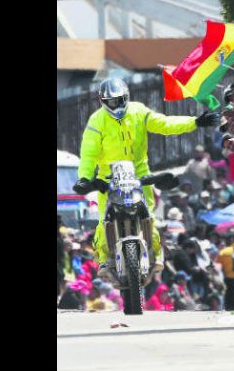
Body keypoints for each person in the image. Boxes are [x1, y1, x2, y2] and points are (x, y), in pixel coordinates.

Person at [73, 78, 220, 280]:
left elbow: (165, 123)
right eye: (112, 101)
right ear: (102, 101)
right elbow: (88, 154)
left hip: (139, 174)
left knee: (149, 216)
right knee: (102, 220)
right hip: (107, 179)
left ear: (127, 97)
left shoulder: (139, 111)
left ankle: (156, 253)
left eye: (121, 100)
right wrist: (84, 178)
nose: (117, 105)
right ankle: (105, 260)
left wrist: (195, 122)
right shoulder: (96, 121)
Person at [217, 236, 234, 310]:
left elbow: (219, 266)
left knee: (229, 294)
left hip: (228, 277)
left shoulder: (223, 252)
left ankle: (229, 308)